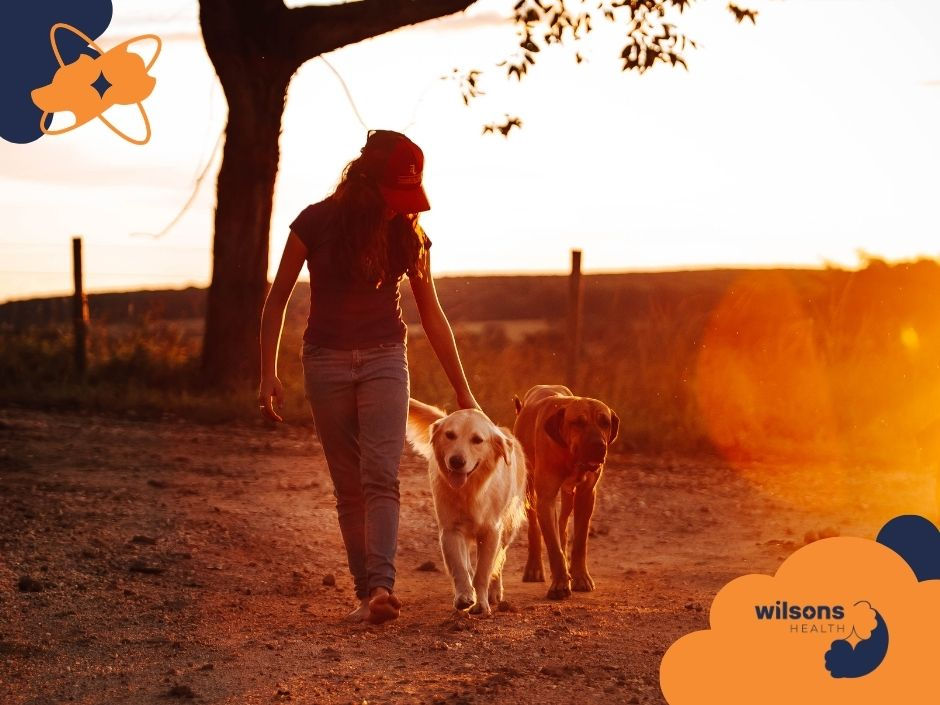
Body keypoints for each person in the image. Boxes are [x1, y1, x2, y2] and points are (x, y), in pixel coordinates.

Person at [258, 129, 479, 625]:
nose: (401, 208)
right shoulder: (314, 222)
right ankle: (365, 593)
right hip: (325, 362)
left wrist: (463, 390)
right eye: (394, 195)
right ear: (367, 183)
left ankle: (380, 588)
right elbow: (276, 301)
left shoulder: (409, 234)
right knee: (349, 485)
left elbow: (433, 315)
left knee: (381, 475)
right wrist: (267, 372)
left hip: (384, 360)